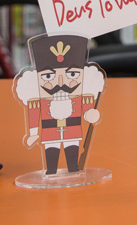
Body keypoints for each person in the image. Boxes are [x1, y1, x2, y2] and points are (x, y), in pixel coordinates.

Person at [13, 34, 107, 176]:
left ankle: (73, 169)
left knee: (72, 151)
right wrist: (33, 133)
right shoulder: (38, 100)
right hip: (49, 131)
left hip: (73, 129)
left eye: (72, 75)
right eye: (48, 76)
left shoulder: (82, 96)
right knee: (51, 152)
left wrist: (91, 114)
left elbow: (87, 110)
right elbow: (34, 113)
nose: (61, 82)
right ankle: (51, 171)